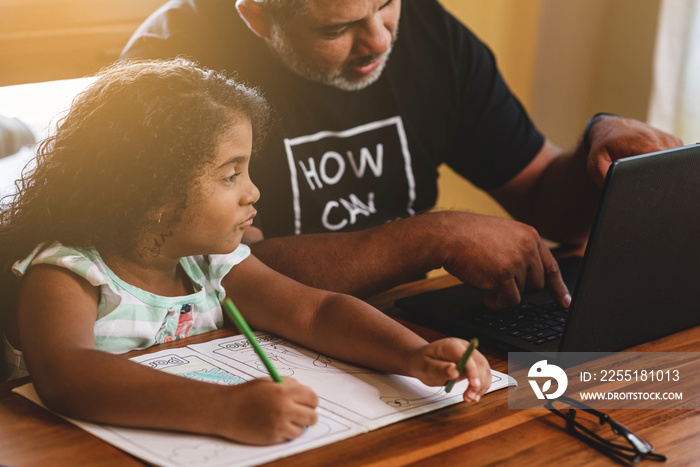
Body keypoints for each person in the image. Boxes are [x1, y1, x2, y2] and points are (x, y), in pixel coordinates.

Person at [0, 58, 491, 443]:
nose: (252, 191)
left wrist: (414, 354)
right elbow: (68, 376)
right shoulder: (69, 274)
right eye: (231, 174)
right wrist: (225, 408)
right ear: (152, 198)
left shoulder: (213, 263)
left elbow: (316, 312)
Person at [121, 0, 683, 310]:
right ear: (257, 16)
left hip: (408, 334)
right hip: (257, 353)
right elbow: (209, 273)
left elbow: (543, 199)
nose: (381, 40)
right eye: (339, 26)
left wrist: (602, 150)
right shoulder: (173, 70)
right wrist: (430, 238)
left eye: (387, 4)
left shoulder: (431, 34)